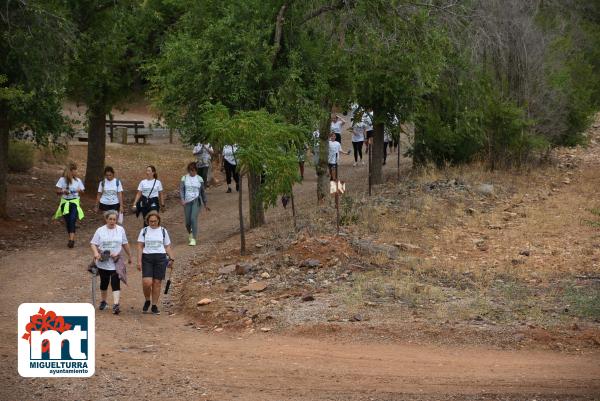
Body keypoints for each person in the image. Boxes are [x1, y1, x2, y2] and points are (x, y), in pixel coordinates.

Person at [90, 210, 132, 315]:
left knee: (115, 282)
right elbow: (93, 243)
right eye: (110, 219)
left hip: (116, 261)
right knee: (104, 282)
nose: (112, 221)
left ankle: (116, 304)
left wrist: (130, 255)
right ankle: (103, 301)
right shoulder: (100, 230)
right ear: (106, 219)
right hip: (103, 261)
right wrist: (96, 253)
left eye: (114, 219)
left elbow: (125, 243)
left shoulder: (120, 229)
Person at [137, 211, 174, 315]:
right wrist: (139, 261)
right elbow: (140, 246)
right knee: (147, 282)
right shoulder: (144, 231)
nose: (152, 223)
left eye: (154, 221)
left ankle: (154, 305)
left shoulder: (163, 231)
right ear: (147, 221)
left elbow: (167, 246)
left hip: (161, 258)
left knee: (157, 282)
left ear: (158, 221)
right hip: (147, 257)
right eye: (150, 221)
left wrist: (172, 258)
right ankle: (147, 300)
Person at [54, 162, 85, 248]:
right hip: (65, 202)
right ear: (70, 171)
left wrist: (80, 190)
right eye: (75, 170)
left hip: (74, 202)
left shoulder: (78, 180)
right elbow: (57, 191)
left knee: (72, 219)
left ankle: (71, 240)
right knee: (68, 221)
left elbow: (83, 192)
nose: (76, 172)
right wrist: (63, 191)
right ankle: (70, 237)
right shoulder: (62, 180)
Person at [180, 162, 210, 246]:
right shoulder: (184, 178)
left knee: (193, 218)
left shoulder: (199, 179)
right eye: (190, 170)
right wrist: (182, 199)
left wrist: (205, 204)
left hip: (197, 201)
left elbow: (203, 192)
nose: (191, 172)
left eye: (193, 170)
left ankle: (194, 238)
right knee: (187, 223)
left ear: (196, 170)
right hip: (187, 202)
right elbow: (182, 190)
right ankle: (190, 233)